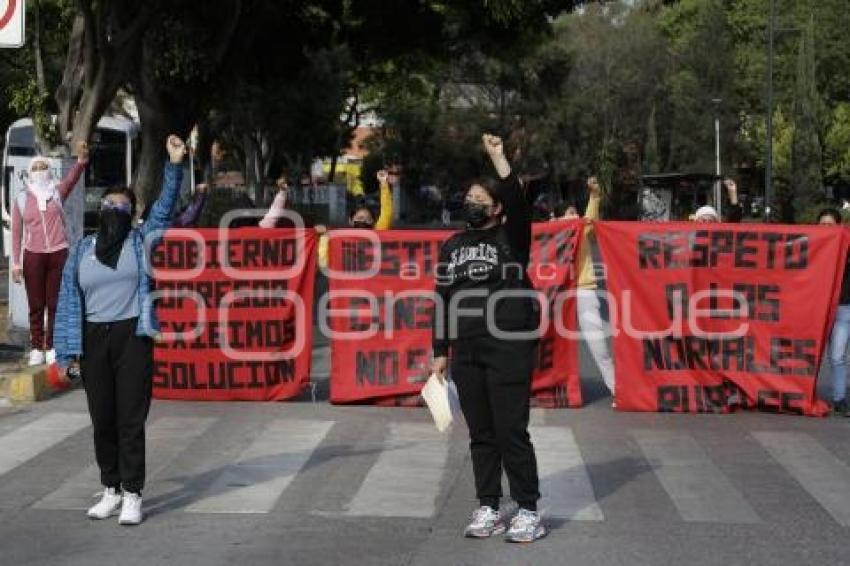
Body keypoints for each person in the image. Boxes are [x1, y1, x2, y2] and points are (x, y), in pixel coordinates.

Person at [53, 135, 187, 526]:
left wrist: (174, 165)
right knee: (103, 419)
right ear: (101, 208)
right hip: (94, 339)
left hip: (133, 336)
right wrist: (66, 353)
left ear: (132, 211)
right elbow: (67, 303)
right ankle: (110, 488)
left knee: (130, 418)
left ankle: (133, 493)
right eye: (110, 204)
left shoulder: (141, 240)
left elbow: (163, 212)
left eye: (123, 205)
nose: (116, 209)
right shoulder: (82, 249)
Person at [431, 134, 545, 543]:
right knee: (481, 432)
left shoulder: (512, 240)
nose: (472, 203)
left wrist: (498, 158)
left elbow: (517, 200)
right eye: (469, 197)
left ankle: (529, 508)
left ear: (496, 208)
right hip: (468, 350)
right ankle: (489, 505)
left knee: (510, 429)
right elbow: (442, 297)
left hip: (509, 346)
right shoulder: (453, 245)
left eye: (481, 198)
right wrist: (440, 350)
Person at [12, 141, 90, 366]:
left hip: (58, 253)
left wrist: (82, 161)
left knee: (55, 303)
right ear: (29, 173)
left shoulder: (57, 192)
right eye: (35, 169)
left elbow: (72, 179)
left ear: (49, 170)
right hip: (33, 255)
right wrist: (16, 264)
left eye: (42, 168)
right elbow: (16, 234)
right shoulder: (21, 198)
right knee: (36, 304)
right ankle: (36, 346)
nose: (39, 172)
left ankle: (52, 345)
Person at [574, 177, 616, 403]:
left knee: (597, 343)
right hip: (555, 292)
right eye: (566, 214)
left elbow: (590, 218)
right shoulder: (551, 235)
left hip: (584, 289)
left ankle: (617, 389)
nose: (571, 216)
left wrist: (595, 196)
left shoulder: (582, 230)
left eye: (574, 214)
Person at [314, 169, 394, 267]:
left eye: (367, 219)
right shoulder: (340, 241)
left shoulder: (377, 235)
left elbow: (387, 212)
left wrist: (383, 183)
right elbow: (323, 263)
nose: (363, 221)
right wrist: (324, 237)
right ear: (351, 221)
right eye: (360, 218)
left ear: (373, 223)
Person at [818, 208, 850, 416]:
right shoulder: (811, 246)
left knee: (838, 356)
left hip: (842, 308)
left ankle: (839, 398)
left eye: (831, 224)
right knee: (809, 355)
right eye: (823, 224)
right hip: (816, 309)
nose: (826, 228)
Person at [139, 182, 208, 228]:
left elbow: (191, 214)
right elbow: (141, 219)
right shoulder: (152, 204)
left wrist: (201, 195)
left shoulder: (178, 208)